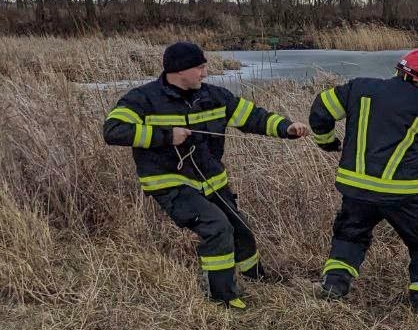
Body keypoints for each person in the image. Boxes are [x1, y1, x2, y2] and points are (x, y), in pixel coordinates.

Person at [103, 41, 310, 309]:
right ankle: (222, 297)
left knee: (240, 227)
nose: (205, 73)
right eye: (199, 68)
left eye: (205, 67)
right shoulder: (142, 99)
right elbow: (113, 130)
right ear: (179, 71)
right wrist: (166, 136)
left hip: (212, 181)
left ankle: (255, 278)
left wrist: (286, 128)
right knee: (217, 228)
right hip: (170, 184)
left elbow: (252, 116)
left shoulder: (214, 96)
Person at [308, 48, 418, 313]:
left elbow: (320, 111)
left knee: (351, 235)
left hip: (356, 189)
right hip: (403, 195)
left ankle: (335, 284)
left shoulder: (360, 88)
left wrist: (327, 142)